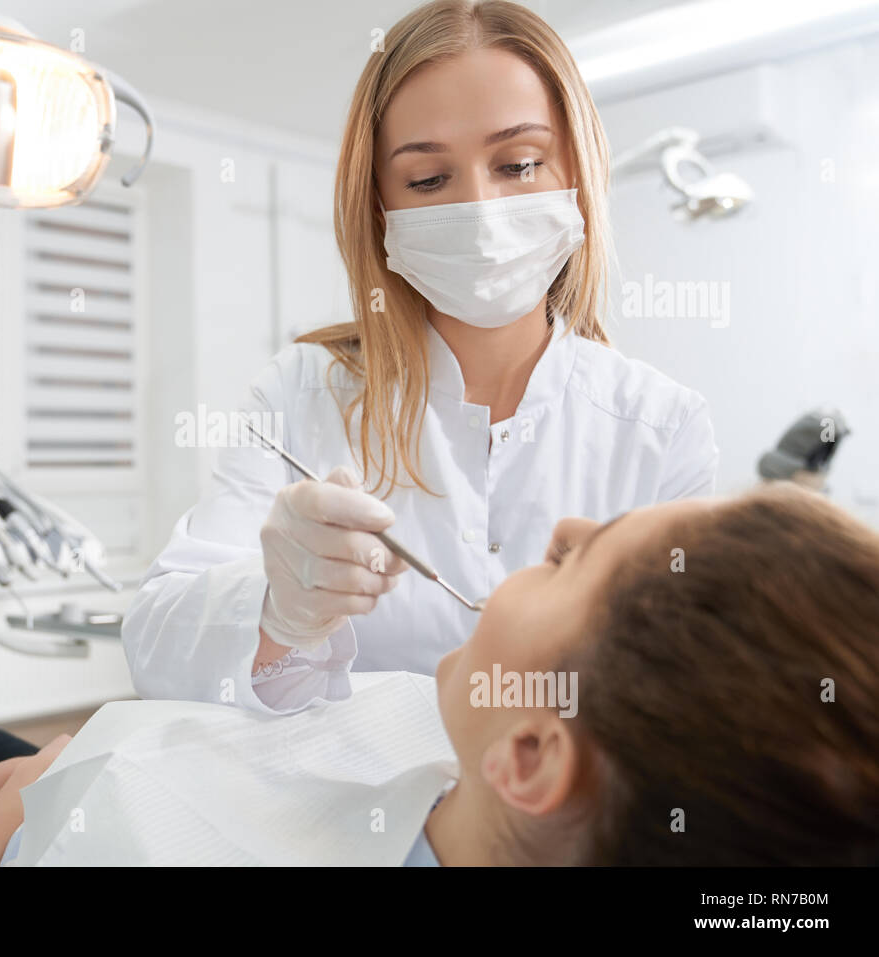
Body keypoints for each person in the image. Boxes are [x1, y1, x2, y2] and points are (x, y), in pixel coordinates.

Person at [0, 482, 879, 866]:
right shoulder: (479, 760)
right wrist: (61, 761)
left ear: (537, 757)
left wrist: (29, 816)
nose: (551, 531)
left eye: (576, 559)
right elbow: (265, 744)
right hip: (86, 779)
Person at [122, 0, 719, 716]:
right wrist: (276, 609)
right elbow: (154, 647)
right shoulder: (304, 393)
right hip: (337, 815)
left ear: (578, 175)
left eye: (519, 164)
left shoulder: (660, 427)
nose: (481, 209)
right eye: (429, 180)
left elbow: (687, 699)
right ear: (378, 207)